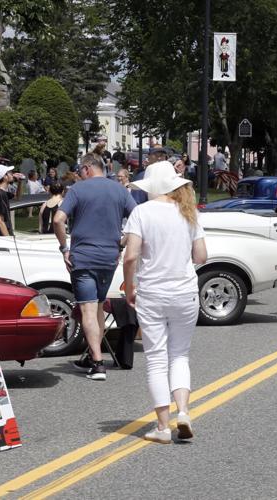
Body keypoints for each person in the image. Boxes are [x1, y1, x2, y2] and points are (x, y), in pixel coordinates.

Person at [122, 161, 207, 444]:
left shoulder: (141, 213)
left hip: (152, 292)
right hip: (184, 292)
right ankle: (183, 411)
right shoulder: (188, 212)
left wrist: (129, 286)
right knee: (180, 355)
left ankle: (162, 426)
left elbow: (131, 255)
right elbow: (201, 257)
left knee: (157, 360)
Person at [54, 153, 137, 381]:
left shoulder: (78, 190)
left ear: (89, 168)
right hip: (109, 258)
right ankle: (93, 355)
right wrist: (122, 242)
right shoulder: (120, 190)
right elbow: (139, 217)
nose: (79, 174)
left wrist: (64, 248)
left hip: (84, 256)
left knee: (88, 310)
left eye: (81, 170)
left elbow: (58, 219)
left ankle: (98, 364)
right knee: (98, 306)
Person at [0, 164, 24, 236]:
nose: (12, 174)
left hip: (4, 233)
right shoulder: (0, 194)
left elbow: (17, 198)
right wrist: (9, 240)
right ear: (5, 177)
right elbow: (0, 221)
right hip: (3, 236)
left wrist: (20, 182)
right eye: (10, 173)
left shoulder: (0, 192)